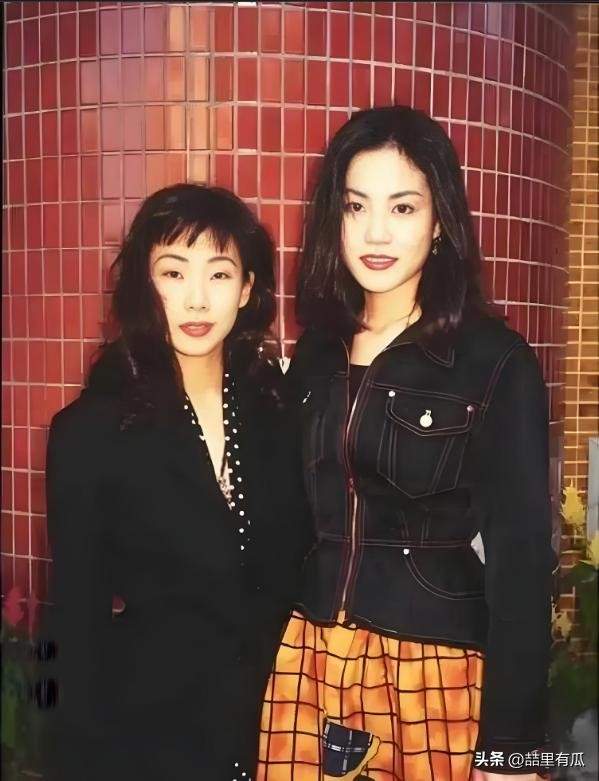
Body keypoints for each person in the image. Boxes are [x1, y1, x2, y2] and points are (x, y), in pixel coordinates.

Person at [257, 107, 556, 781]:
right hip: (308, 656)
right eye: (356, 205)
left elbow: (520, 562)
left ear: (439, 219)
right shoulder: (318, 351)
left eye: (402, 207)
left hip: (433, 669)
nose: (376, 232)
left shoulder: (494, 360)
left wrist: (513, 749)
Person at [38, 184, 312, 781]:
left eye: (219, 274)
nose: (196, 299)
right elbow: (74, 625)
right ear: (144, 283)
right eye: (173, 272)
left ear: (247, 289)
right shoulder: (90, 432)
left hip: (276, 733)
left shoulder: (281, 415)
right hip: (146, 741)